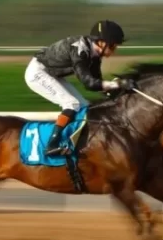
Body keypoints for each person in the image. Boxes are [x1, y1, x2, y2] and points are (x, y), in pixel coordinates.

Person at [24, 20, 134, 156]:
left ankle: (73, 142)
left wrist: (117, 91)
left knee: (84, 107)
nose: (114, 50)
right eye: (112, 46)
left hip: (52, 74)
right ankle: (51, 146)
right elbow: (88, 83)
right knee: (71, 104)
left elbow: (96, 83)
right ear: (100, 42)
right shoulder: (80, 51)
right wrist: (117, 84)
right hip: (38, 73)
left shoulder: (94, 54)